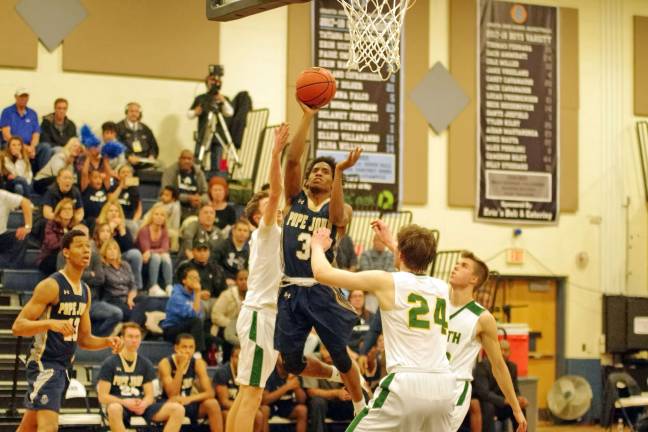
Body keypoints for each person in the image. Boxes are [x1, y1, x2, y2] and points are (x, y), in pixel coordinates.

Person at [226, 124, 346, 432]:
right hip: (259, 315)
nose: (277, 208)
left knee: (245, 394)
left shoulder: (285, 234)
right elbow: (279, 190)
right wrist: (276, 153)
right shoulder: (266, 231)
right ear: (258, 216)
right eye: (269, 206)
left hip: (267, 317)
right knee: (252, 395)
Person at [309, 221, 456, 431]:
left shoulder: (387, 281)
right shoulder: (443, 288)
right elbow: (414, 263)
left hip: (407, 384)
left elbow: (323, 274)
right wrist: (392, 243)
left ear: (401, 254)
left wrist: (316, 245)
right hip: (444, 385)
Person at [276, 101, 365, 416]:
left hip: (321, 287)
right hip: (291, 289)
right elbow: (292, 159)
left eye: (325, 172)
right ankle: (331, 375)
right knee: (288, 362)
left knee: (340, 354)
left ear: (332, 182)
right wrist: (307, 116)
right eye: (315, 170)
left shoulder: (339, 208)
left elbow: (339, 214)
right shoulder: (295, 200)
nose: (317, 173)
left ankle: (359, 405)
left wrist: (340, 171)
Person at [12, 230, 122, 432]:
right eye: (80, 245)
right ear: (66, 252)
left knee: (29, 425)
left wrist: (107, 341)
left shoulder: (85, 292)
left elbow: (84, 340)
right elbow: (18, 326)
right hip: (44, 363)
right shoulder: (51, 286)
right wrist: (50, 323)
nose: (86, 250)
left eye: (88, 246)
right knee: (49, 427)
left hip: (64, 366)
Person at [447, 251, 527, 432]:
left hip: (455, 390)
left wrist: (516, 408)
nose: (456, 266)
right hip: (427, 383)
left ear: (474, 279)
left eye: (464, 265)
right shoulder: (437, 302)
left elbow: (499, 366)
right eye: (457, 263)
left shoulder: (482, 318)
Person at [97, 322, 185, 432]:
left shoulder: (145, 363)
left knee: (178, 409)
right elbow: (103, 396)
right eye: (130, 336)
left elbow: (150, 395)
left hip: (140, 406)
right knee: (114, 408)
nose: (134, 340)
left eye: (137, 337)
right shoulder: (110, 363)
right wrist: (125, 402)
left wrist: (144, 404)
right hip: (120, 405)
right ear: (122, 338)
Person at [158, 333, 223, 431]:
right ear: (176, 348)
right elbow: (172, 394)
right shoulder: (165, 363)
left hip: (188, 402)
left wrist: (189, 399)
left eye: (191, 347)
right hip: (168, 402)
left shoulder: (198, 363)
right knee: (174, 406)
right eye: (184, 347)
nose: (188, 350)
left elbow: (210, 393)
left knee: (212, 403)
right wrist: (180, 368)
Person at [473, 340, 528, 432]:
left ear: (510, 352)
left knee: (520, 407)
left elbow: (515, 389)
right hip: (488, 403)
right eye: (500, 350)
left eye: (506, 350)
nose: (503, 353)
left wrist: (519, 398)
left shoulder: (512, 367)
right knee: (488, 406)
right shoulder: (482, 366)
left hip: (504, 404)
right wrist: (504, 401)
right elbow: (484, 393)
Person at [213, 346, 269, 432]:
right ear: (231, 358)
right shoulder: (223, 372)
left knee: (259, 415)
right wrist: (244, 408)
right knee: (229, 414)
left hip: (243, 403)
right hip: (225, 409)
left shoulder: (250, 371)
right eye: (238, 357)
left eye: (244, 357)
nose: (241, 360)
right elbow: (224, 402)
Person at [302, 344, 356, 432]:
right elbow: (311, 392)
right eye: (325, 349)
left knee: (359, 398)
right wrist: (336, 393)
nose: (328, 353)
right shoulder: (311, 361)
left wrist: (348, 392)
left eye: (331, 350)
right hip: (323, 403)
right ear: (320, 350)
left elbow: (353, 384)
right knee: (317, 402)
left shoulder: (343, 360)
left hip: (340, 402)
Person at [188, 73, 235, 172]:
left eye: (216, 81)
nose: (214, 83)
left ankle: (215, 177)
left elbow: (230, 113)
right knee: (198, 160)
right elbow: (189, 114)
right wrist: (195, 112)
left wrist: (223, 101)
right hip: (203, 134)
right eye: (212, 80)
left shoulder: (223, 98)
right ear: (207, 82)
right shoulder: (201, 98)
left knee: (217, 164)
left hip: (218, 136)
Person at [1, 87, 54, 172]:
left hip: (29, 146)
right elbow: (6, 135)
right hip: (12, 145)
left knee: (46, 147)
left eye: (25, 97)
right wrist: (24, 147)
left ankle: (41, 176)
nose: (23, 99)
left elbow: (36, 134)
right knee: (13, 147)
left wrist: (32, 147)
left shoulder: (32, 113)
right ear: (16, 97)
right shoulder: (7, 112)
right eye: (21, 97)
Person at [97, 200, 144, 291]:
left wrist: (122, 231)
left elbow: (129, 249)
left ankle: (137, 288)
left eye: (116, 211)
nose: (114, 213)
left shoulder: (123, 228)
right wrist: (110, 229)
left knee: (135, 254)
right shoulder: (99, 226)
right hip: (103, 257)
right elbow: (101, 246)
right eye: (111, 211)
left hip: (119, 257)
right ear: (105, 213)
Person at [161, 263, 206, 353]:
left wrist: (197, 295)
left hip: (188, 328)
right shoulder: (176, 296)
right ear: (184, 280)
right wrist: (198, 293)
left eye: (197, 278)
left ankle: (210, 361)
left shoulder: (194, 295)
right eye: (192, 278)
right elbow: (193, 315)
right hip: (172, 329)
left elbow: (201, 315)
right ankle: (196, 354)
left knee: (212, 339)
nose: (196, 280)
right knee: (195, 322)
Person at [136, 204, 173, 296]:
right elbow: (145, 250)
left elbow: (165, 248)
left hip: (154, 257)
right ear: (151, 216)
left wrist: (152, 252)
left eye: (162, 215)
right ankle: (153, 286)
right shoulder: (144, 230)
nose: (159, 217)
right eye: (156, 214)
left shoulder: (164, 231)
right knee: (157, 257)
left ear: (165, 218)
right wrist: (152, 252)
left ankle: (169, 286)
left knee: (166, 256)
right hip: (143, 259)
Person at [161, 150, 208, 220]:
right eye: (184, 158)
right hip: (175, 206)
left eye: (189, 159)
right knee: (174, 207)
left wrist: (200, 199)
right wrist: (188, 198)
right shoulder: (170, 172)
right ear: (179, 159)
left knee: (208, 208)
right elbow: (166, 194)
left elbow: (205, 193)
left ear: (193, 160)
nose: (186, 161)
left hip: (195, 207)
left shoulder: (199, 173)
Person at [101, 239, 138, 322]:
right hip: (113, 299)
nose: (112, 251)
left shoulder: (125, 265)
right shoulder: (102, 267)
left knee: (147, 302)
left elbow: (133, 285)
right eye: (109, 249)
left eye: (115, 249)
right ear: (104, 252)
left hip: (128, 297)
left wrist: (130, 299)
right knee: (132, 313)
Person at [358, 234, 395, 313]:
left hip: (384, 292)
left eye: (382, 241)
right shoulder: (365, 254)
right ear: (373, 241)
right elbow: (365, 273)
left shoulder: (390, 255)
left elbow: (390, 274)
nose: (380, 243)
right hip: (369, 291)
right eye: (378, 241)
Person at [116, 102, 159, 169]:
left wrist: (152, 155)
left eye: (136, 112)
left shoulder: (145, 128)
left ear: (139, 114)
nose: (134, 114)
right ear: (126, 112)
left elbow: (153, 146)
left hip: (145, 161)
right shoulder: (118, 127)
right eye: (131, 111)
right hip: (127, 161)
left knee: (161, 166)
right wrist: (128, 156)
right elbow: (117, 145)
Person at [38, 198, 75, 275]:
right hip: (49, 257)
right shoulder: (51, 224)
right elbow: (53, 244)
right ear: (59, 212)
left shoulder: (75, 226)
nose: (68, 211)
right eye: (64, 209)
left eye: (70, 209)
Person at [0, 188, 32, 268]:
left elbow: (26, 202)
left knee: (22, 236)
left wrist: (27, 227)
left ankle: (11, 266)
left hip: (1, 236)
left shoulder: (3, 195)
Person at [211, 219, 250, 283]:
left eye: (245, 231)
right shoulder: (222, 246)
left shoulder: (249, 249)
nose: (242, 233)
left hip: (241, 282)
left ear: (248, 234)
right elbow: (213, 264)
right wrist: (224, 279)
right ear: (233, 231)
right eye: (239, 230)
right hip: (223, 281)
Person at [211, 269, 247, 337]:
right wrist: (233, 325)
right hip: (223, 330)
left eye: (246, 279)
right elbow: (216, 316)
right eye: (241, 279)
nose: (244, 282)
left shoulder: (253, 298)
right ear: (236, 282)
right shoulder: (227, 295)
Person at [108, 164, 142, 236]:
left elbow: (139, 209)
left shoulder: (135, 189)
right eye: (123, 172)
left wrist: (134, 220)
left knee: (135, 226)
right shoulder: (113, 187)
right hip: (115, 218)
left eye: (128, 172)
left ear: (132, 175)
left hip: (129, 219)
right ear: (118, 175)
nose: (126, 174)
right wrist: (120, 186)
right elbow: (110, 201)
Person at [347, 290, 374, 357]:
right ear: (350, 299)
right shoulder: (344, 317)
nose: (358, 299)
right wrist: (352, 354)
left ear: (364, 299)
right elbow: (340, 341)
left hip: (368, 353)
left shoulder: (372, 316)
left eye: (360, 296)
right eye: (355, 296)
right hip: (350, 355)